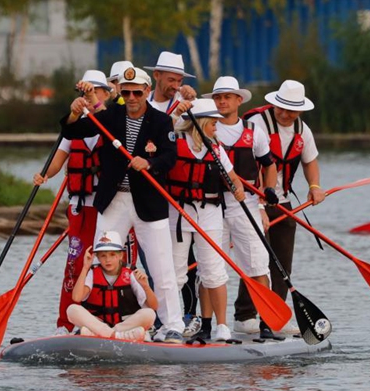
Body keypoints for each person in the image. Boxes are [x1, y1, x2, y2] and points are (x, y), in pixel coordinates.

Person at [60, 66, 184, 344]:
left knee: (162, 267)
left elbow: (170, 156)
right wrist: (74, 110)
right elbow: (71, 130)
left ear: (147, 92)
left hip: (149, 204)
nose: (131, 97)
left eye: (136, 92)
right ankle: (97, 322)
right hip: (113, 201)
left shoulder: (161, 122)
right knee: (100, 263)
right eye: (125, 92)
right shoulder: (110, 116)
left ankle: (172, 325)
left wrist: (149, 163)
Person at [191, 76, 279, 340]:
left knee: (257, 265)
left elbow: (269, 165)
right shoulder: (205, 128)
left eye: (227, 97)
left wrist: (269, 192)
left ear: (239, 100)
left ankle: (266, 322)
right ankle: (206, 324)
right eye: (218, 97)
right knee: (210, 267)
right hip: (213, 205)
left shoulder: (255, 131)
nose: (221, 101)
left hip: (246, 205)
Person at [237, 79, 324, 339]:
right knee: (255, 260)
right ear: (274, 104)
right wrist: (259, 205)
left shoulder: (302, 130)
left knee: (282, 262)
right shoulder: (256, 124)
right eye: (282, 108)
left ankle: (275, 315)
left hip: (282, 202)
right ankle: (245, 316)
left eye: (292, 110)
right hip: (252, 200)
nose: (286, 115)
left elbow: (310, 161)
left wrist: (315, 185)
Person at [33, 69, 114, 335]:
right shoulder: (74, 129)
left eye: (94, 92)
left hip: (109, 209)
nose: (88, 97)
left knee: (108, 264)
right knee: (75, 266)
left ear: (104, 94)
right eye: (84, 92)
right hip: (80, 209)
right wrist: (44, 175)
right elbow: (57, 162)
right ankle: (66, 323)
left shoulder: (112, 123)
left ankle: (103, 322)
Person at [167, 98, 246, 341]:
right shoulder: (174, 142)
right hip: (179, 212)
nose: (216, 128)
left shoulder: (216, 148)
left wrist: (238, 188)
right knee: (176, 272)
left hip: (209, 212)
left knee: (213, 271)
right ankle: (172, 323)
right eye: (213, 123)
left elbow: (234, 178)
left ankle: (222, 326)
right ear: (199, 124)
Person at [144, 51, 200, 333]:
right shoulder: (141, 102)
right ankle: (154, 319)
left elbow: (202, 135)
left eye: (178, 80)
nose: (174, 85)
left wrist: (191, 105)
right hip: (149, 190)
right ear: (156, 77)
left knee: (185, 259)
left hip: (179, 192)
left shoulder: (186, 104)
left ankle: (189, 316)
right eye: (169, 79)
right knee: (151, 259)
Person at [66, 231, 156, 341]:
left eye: (112, 254)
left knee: (149, 314)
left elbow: (153, 307)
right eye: (103, 255)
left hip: (125, 324)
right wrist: (85, 268)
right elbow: (76, 297)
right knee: (72, 310)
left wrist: (146, 287)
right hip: (99, 322)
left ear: (120, 255)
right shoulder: (92, 272)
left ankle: (98, 334)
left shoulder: (131, 273)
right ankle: (118, 336)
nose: (108, 260)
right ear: (97, 257)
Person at [144, 51, 197, 120]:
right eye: (171, 80)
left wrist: (194, 101)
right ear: (156, 75)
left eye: (179, 81)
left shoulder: (186, 103)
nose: (175, 86)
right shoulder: (143, 101)